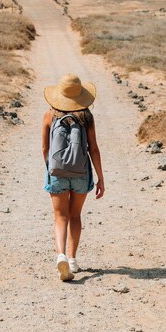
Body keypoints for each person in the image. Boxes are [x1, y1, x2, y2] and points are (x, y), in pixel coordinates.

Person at [42, 73, 105, 281]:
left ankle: (60, 254)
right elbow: (94, 149)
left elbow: (45, 148)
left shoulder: (50, 115)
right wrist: (100, 178)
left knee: (60, 217)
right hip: (81, 171)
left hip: (57, 172)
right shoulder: (86, 117)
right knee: (75, 215)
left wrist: (50, 168)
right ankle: (72, 259)